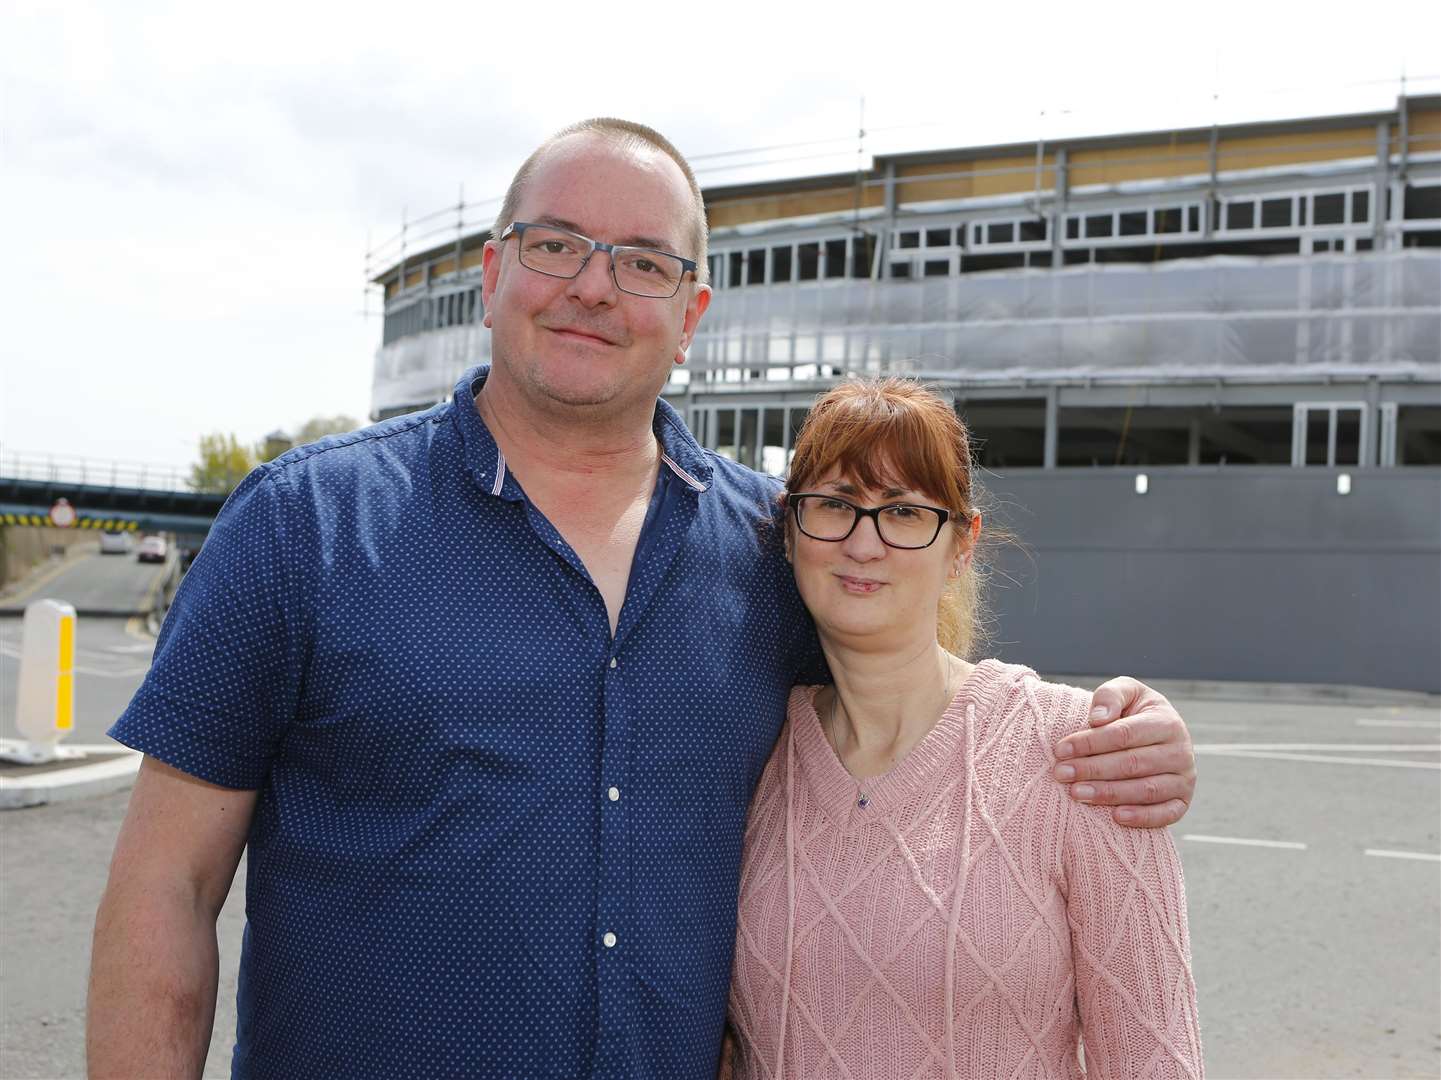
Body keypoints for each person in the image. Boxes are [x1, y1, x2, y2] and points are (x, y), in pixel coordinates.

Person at [87, 119, 1197, 1080]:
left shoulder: (768, 551)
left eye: (642, 263)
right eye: (557, 244)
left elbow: (918, 694)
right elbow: (166, 891)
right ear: (491, 270)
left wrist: (1128, 736)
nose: (593, 286)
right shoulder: (302, 527)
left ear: (692, 312)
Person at [726, 379, 1202, 1078]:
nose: (864, 542)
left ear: (961, 545)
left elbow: (1153, 1060)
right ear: (791, 530)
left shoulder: (1082, 753)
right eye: (834, 505)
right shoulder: (751, 752)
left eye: (904, 511)